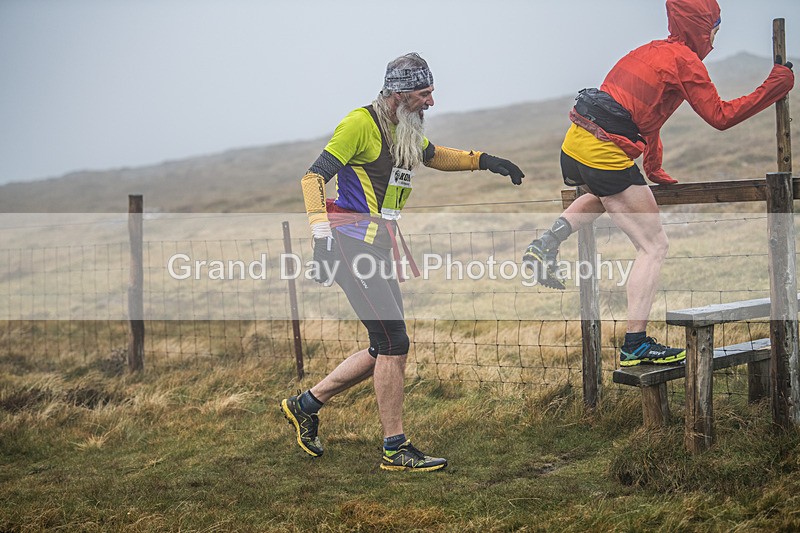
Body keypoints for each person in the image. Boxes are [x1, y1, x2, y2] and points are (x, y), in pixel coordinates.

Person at [281, 52, 524, 471]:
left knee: (385, 344)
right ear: (398, 93)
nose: (431, 102)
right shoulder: (361, 124)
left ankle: (305, 404)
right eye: (423, 93)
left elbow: (434, 156)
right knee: (394, 342)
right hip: (347, 245)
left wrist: (485, 161)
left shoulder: (403, 129)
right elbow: (312, 179)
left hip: (377, 246)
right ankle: (395, 448)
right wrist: (321, 241)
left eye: (432, 92)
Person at [522, 0, 794, 367]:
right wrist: (776, 85)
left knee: (607, 196)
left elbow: (645, 115)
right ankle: (635, 343)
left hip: (576, 143)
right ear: (701, 27)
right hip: (605, 151)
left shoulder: (651, 51)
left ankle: (546, 242)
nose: (715, 35)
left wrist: (653, 165)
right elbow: (721, 116)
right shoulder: (687, 62)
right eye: (714, 27)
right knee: (654, 246)